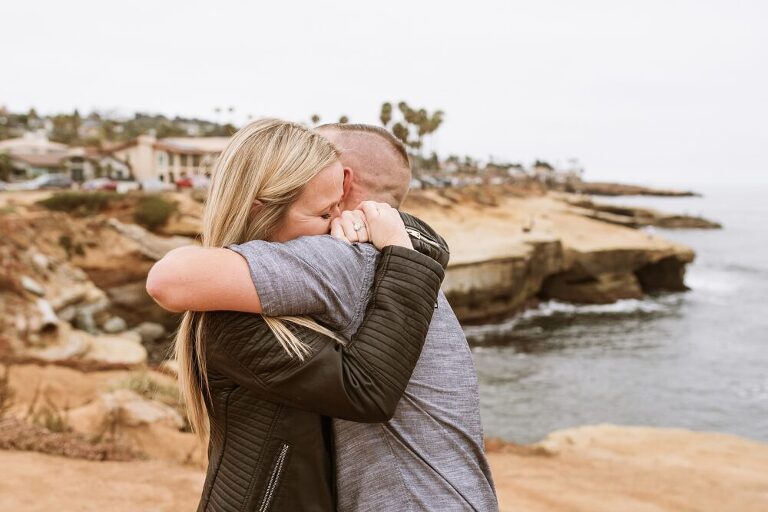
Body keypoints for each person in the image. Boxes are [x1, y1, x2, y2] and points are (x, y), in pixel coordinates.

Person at [150, 123, 499, 511]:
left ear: (344, 179)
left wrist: (403, 245)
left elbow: (170, 279)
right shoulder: (382, 256)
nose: (333, 218)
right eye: (321, 210)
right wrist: (405, 243)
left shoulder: (346, 257)